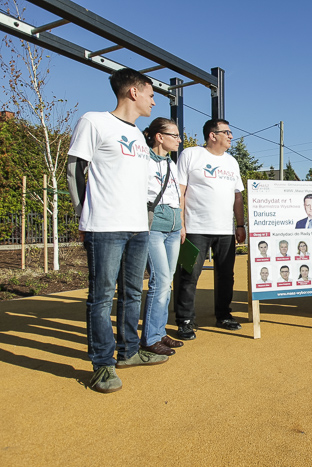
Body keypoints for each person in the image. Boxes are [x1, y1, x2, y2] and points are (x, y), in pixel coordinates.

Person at [66, 68, 167, 394]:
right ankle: (102, 365)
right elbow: (74, 170)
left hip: (138, 228)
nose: (153, 101)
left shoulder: (137, 135)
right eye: (151, 94)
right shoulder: (94, 121)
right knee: (101, 297)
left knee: (132, 293)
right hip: (105, 227)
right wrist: (83, 215)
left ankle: (128, 352)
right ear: (133, 92)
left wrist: (146, 220)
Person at [173, 119, 246, 340]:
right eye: (227, 132)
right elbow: (180, 191)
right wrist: (180, 223)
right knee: (188, 275)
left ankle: (223, 315)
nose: (231, 136)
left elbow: (237, 197)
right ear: (212, 135)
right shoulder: (191, 155)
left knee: (226, 276)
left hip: (225, 231)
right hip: (195, 229)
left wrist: (240, 225)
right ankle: (185, 320)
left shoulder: (232, 162)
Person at [140, 117, 185, 357]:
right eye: (174, 135)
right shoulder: (143, 161)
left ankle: (159, 332)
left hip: (174, 228)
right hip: (154, 228)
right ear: (159, 137)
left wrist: (181, 224)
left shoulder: (172, 163)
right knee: (160, 281)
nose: (179, 140)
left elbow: (177, 196)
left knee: (167, 283)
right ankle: (149, 338)